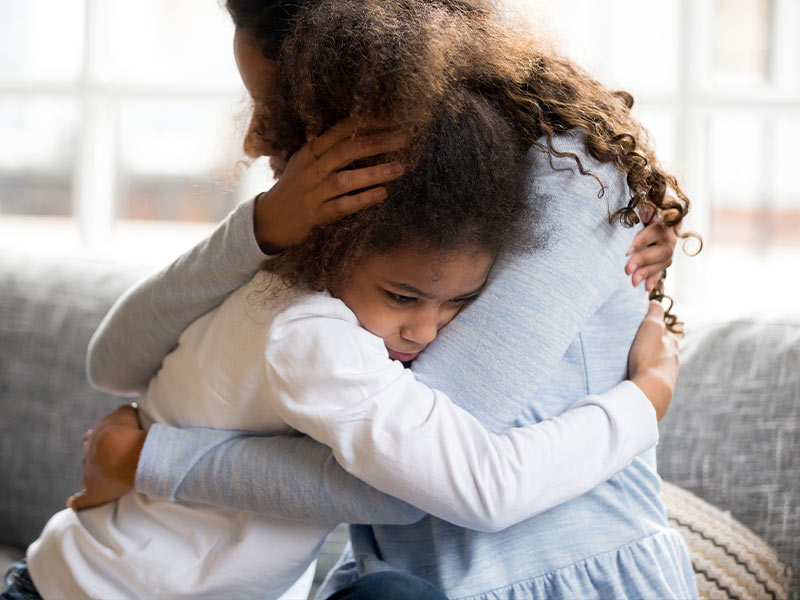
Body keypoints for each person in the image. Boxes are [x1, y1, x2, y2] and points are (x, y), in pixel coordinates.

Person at [31, 1, 698, 598]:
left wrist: (149, 459)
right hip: (397, 577)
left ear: (363, 68)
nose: (255, 139)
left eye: (276, 105)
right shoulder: (361, 233)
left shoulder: (570, 171)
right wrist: (259, 227)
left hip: (558, 579)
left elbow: (424, 480)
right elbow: (114, 361)